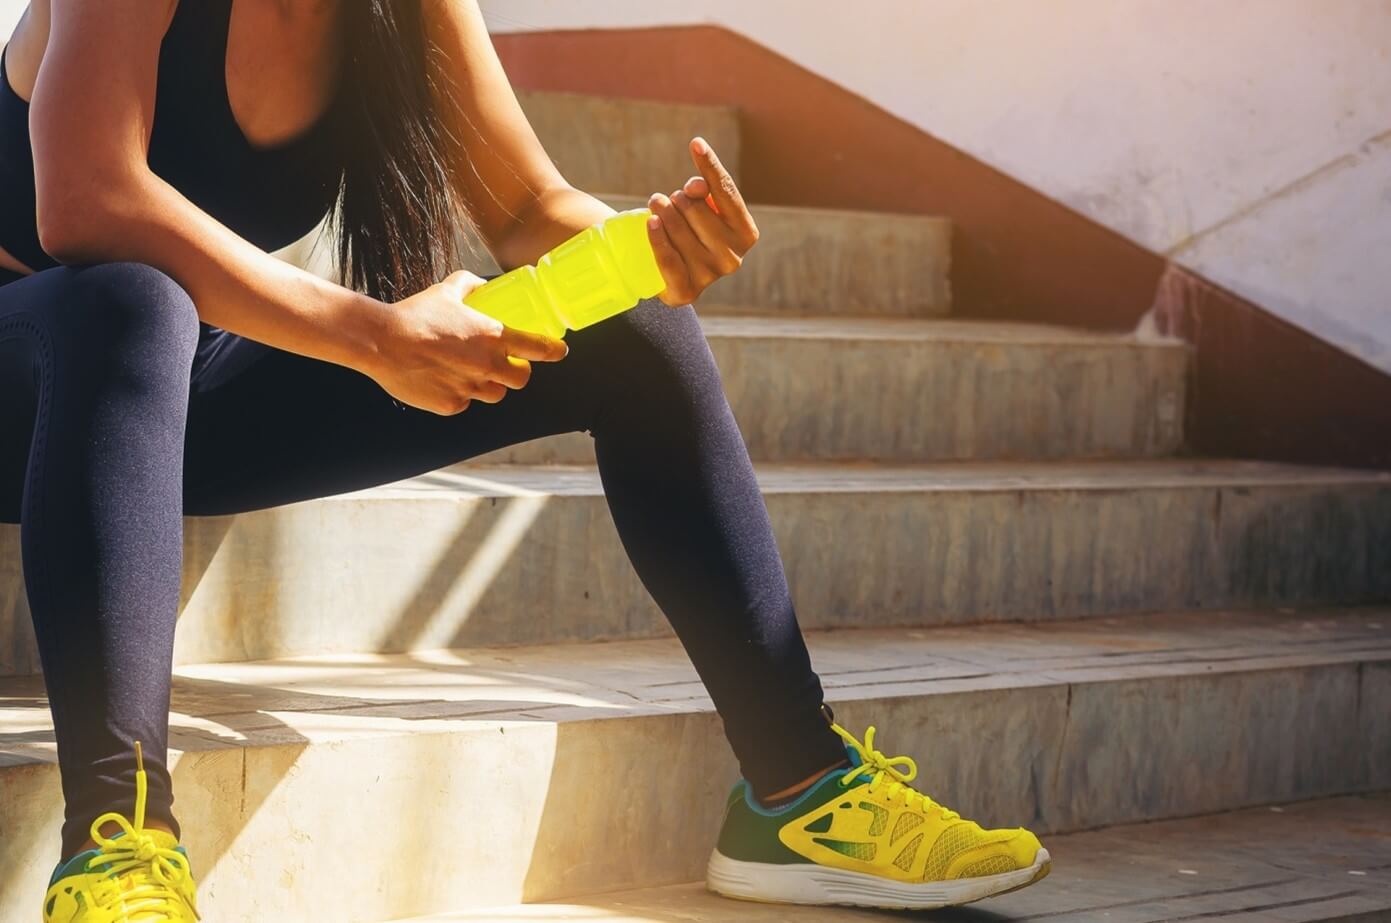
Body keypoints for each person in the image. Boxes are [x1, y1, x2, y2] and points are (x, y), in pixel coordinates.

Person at [0, 1, 1049, 918]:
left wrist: (649, 247)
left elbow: (522, 212)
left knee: (630, 327)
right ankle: (117, 839)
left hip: (169, 392)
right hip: (35, 371)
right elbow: (90, 200)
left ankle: (798, 789)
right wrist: (372, 334)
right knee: (131, 298)